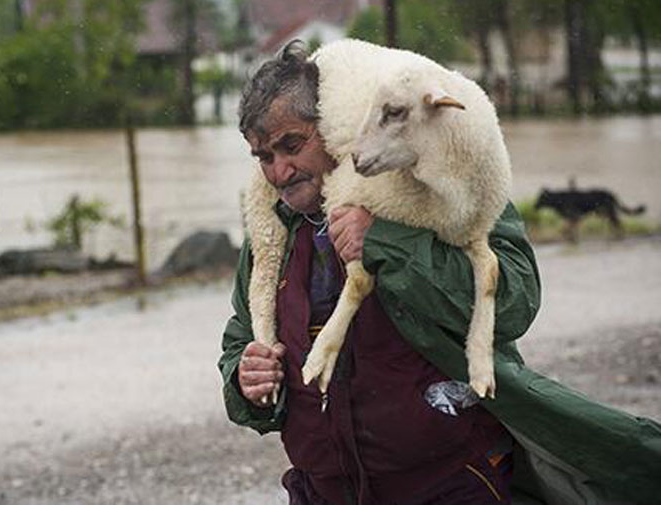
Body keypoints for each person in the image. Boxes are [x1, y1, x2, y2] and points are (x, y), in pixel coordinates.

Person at [218, 41, 659, 505]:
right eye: (263, 157)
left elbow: (515, 301)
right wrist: (245, 381)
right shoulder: (272, 236)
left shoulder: (436, 177)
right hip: (325, 492)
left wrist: (387, 241)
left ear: (330, 124)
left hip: (452, 483)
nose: (280, 171)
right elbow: (240, 339)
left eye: (292, 145)